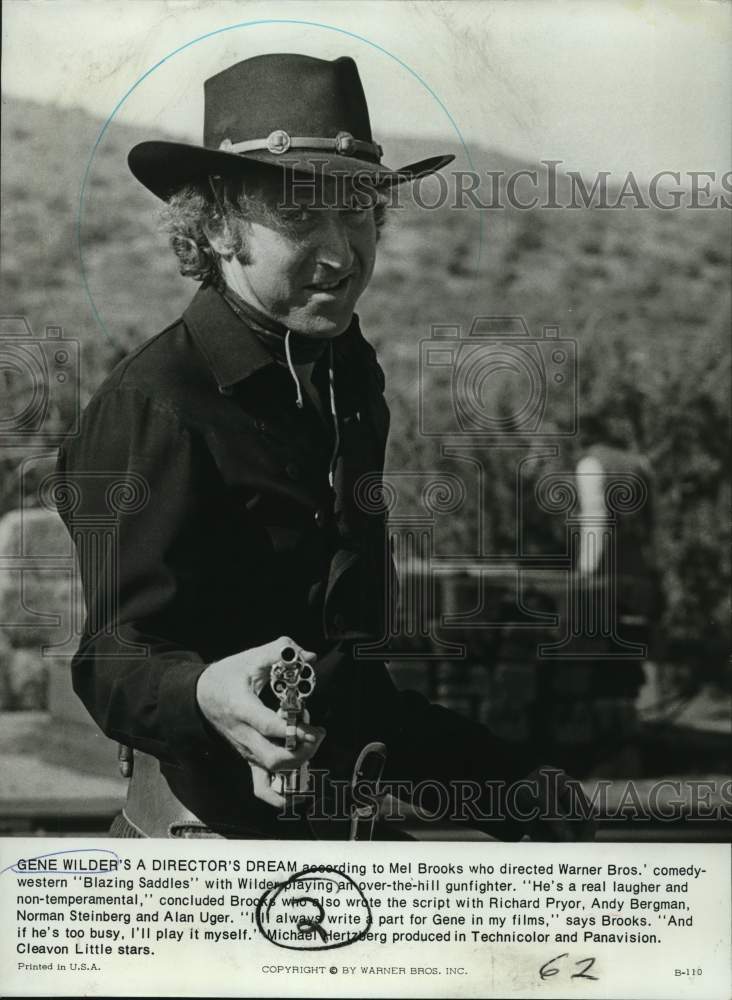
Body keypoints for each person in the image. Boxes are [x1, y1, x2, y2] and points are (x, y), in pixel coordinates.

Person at [55, 52, 592, 840]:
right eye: (303, 216)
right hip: (201, 856)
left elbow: (349, 688)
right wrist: (203, 691)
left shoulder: (346, 376)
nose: (344, 254)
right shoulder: (155, 408)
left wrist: (503, 786)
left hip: (339, 828)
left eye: (359, 211)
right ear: (215, 225)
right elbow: (112, 661)